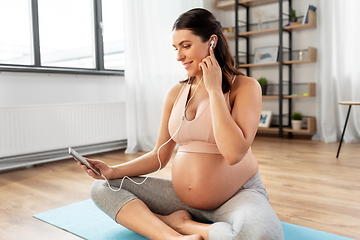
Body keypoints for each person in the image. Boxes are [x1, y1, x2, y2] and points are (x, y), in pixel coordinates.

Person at [78, 8, 284, 240]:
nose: (179, 56)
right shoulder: (176, 92)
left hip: (237, 196)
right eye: (176, 48)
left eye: (186, 46)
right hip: (181, 199)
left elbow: (234, 153)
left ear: (212, 42)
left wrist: (215, 90)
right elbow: (159, 155)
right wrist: (113, 171)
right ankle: (172, 236)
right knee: (104, 187)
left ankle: (185, 226)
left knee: (262, 235)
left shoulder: (245, 87)